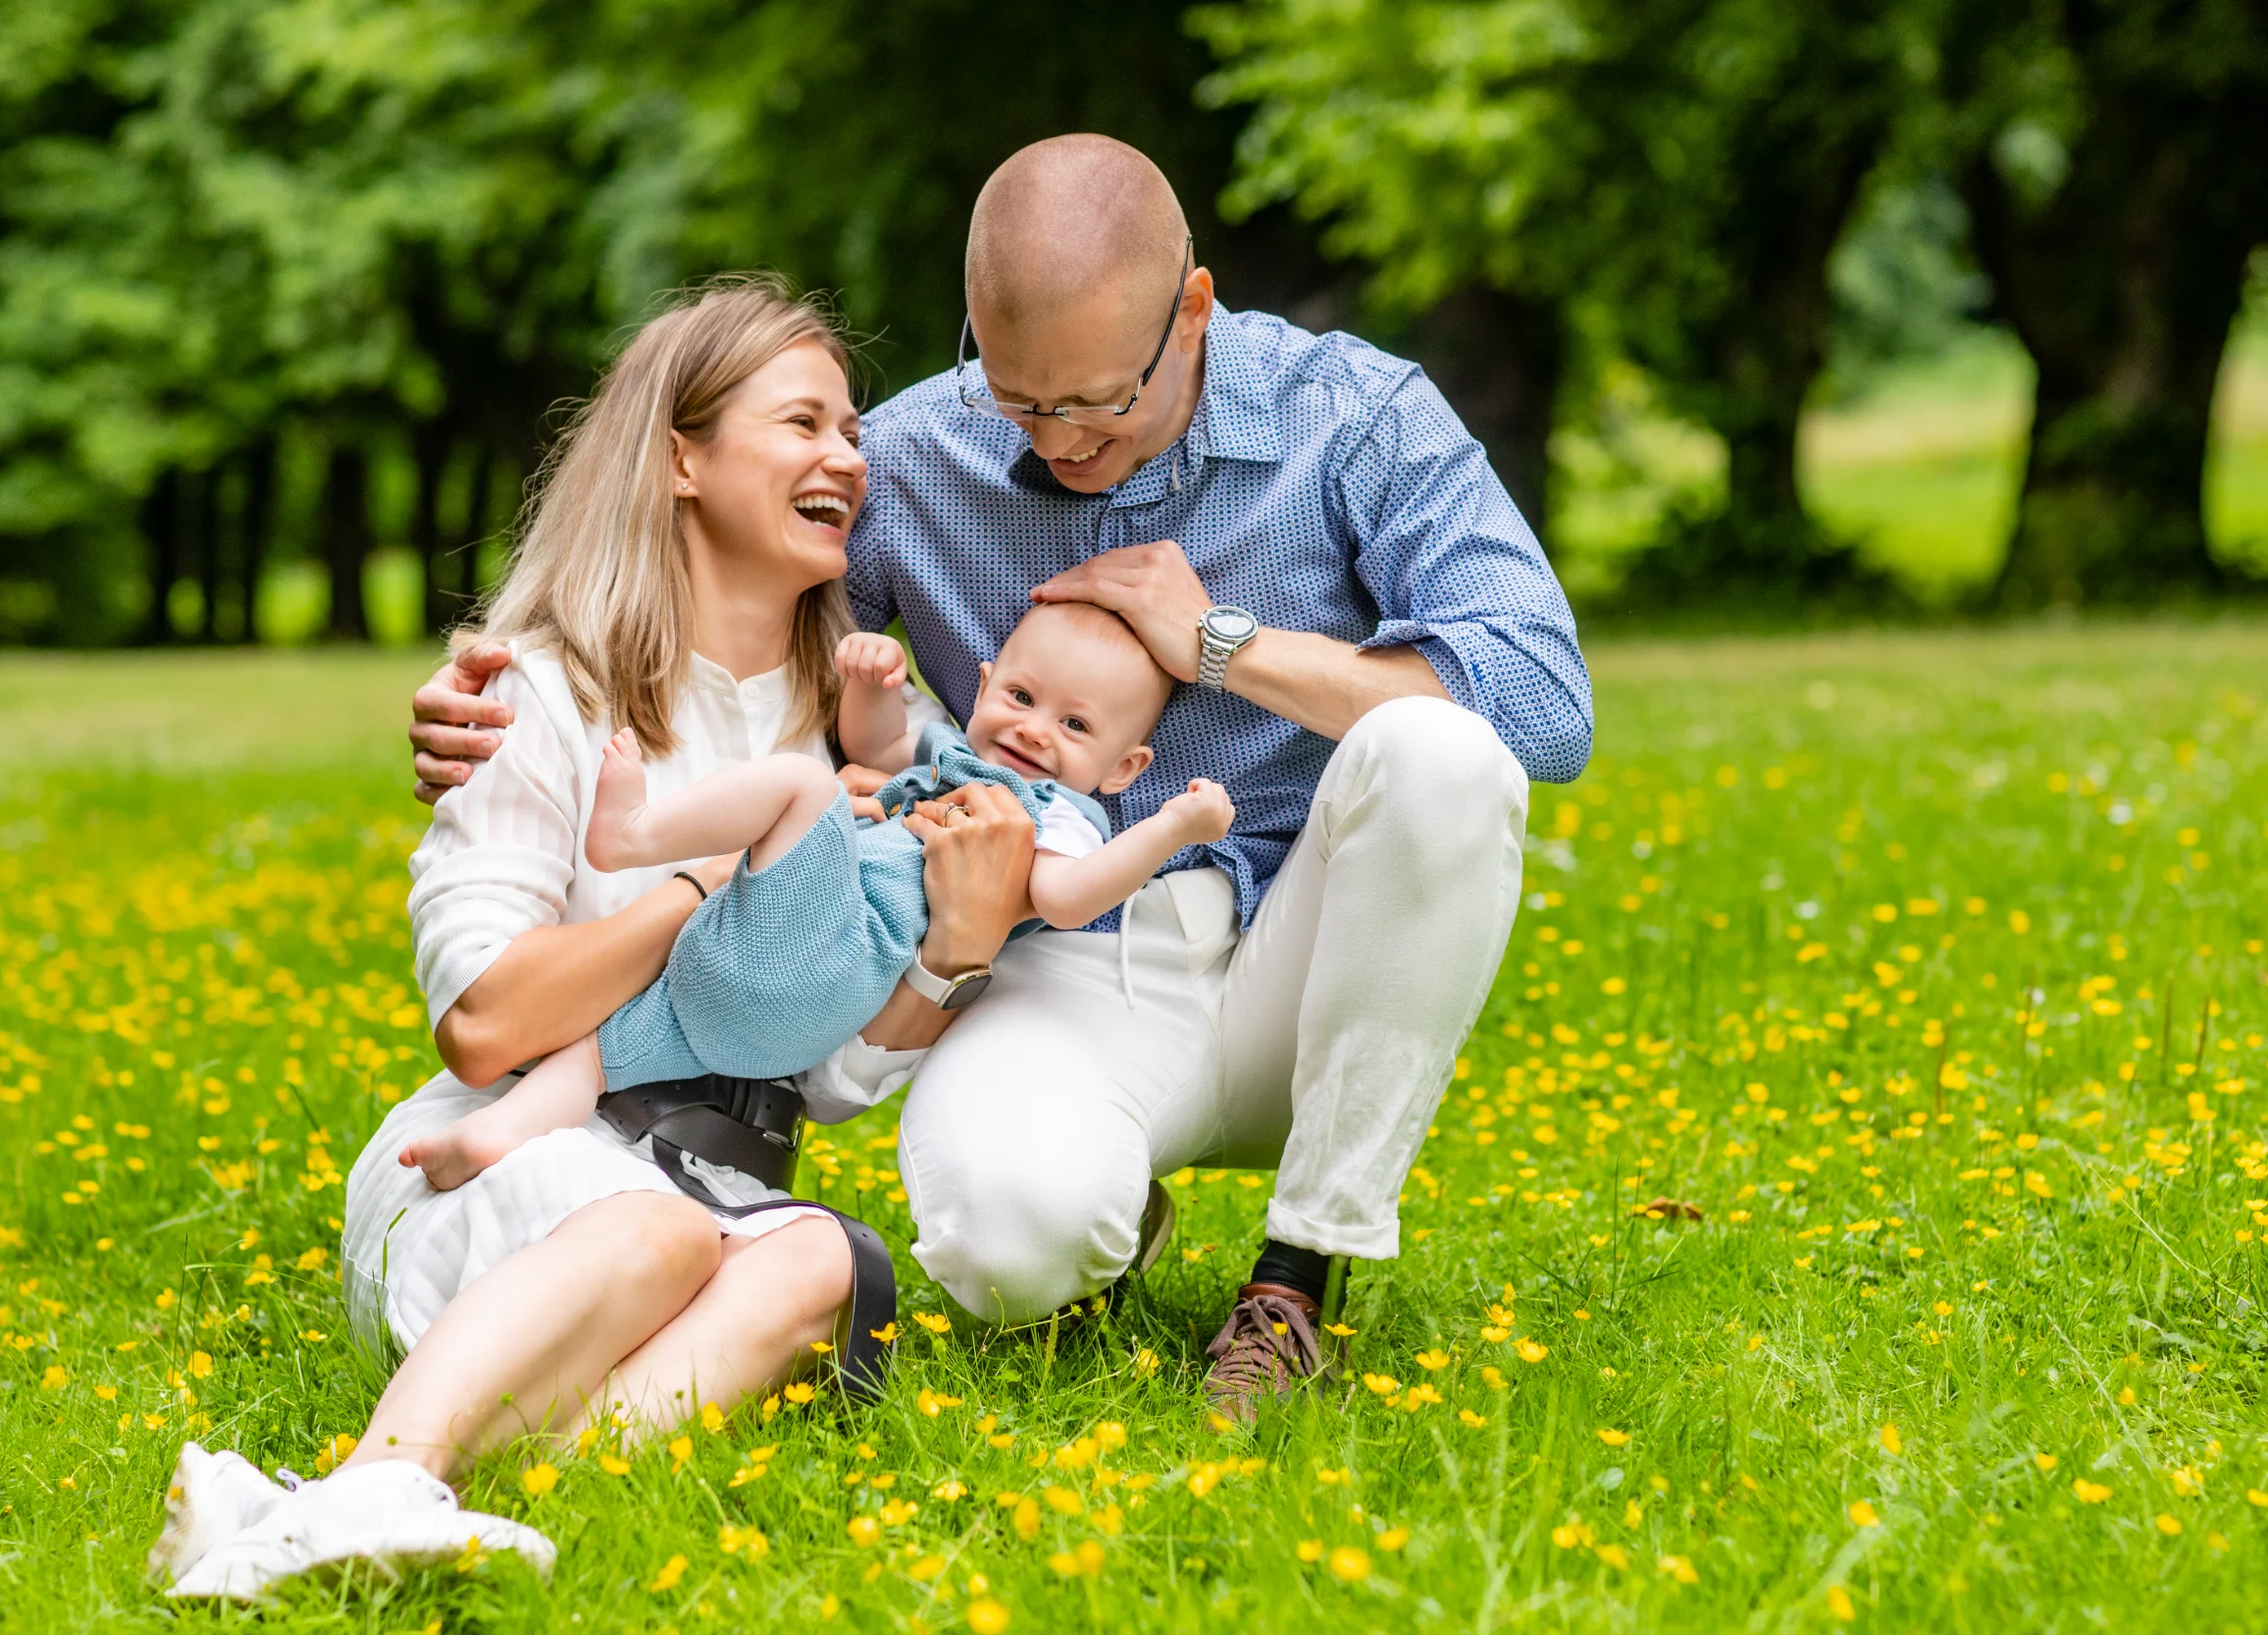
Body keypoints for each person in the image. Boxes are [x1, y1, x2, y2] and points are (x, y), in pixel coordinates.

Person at [411, 135, 1593, 1423]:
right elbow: (733, 633)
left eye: (1095, 402)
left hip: (1313, 964)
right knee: (1001, 1237)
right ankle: (1103, 1212)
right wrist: (520, 683)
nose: (1057, 439)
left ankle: (1300, 1275)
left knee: (1440, 748)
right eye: (1018, 395)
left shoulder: (1353, 415)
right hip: (1058, 962)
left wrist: (1224, 646)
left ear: (1190, 310)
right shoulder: (919, 458)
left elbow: (1541, 702)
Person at [154, 278, 1041, 1600]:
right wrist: (698, 879)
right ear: (681, 455)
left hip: (713, 1186)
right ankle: (390, 1465)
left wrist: (947, 958)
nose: (845, 456)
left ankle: (351, 1510)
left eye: (852, 431)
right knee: (659, 1228)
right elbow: (490, 1018)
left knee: (821, 1257)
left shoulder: (862, 722)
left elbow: (825, 1078)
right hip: (499, 1168)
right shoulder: (540, 689)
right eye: (802, 421)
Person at [397, 602, 1234, 1193]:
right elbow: (874, 738)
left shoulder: (1059, 816)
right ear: (983, 687)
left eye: (1077, 727)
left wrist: (1171, 827)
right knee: (595, 1051)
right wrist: (872, 680)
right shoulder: (947, 751)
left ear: (1126, 769)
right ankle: (489, 1137)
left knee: (805, 784)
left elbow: (1061, 898)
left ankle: (637, 834)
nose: (1034, 729)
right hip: (750, 1006)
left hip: (837, 954)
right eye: (1020, 697)